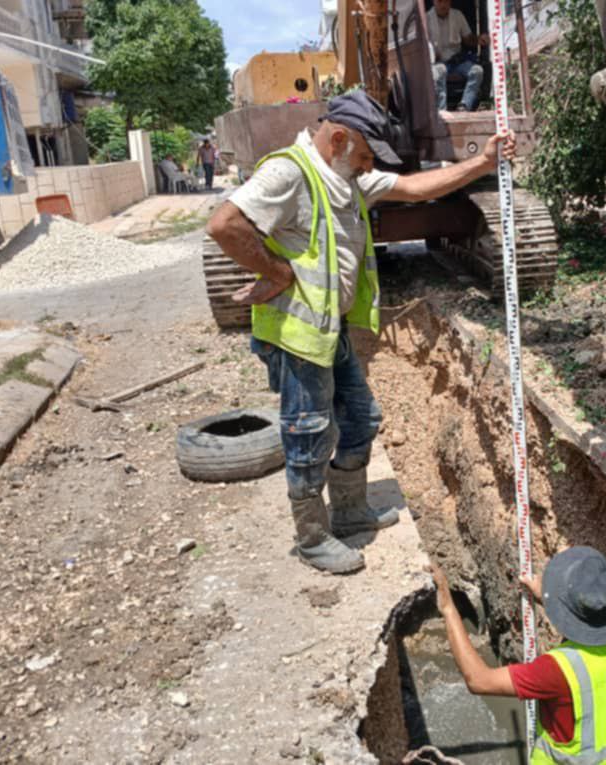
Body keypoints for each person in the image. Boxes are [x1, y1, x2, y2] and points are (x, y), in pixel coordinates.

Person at [205, 91, 516, 575]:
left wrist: (483, 163)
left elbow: (413, 188)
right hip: (297, 335)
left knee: (361, 418)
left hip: (331, 330)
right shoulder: (289, 172)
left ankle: (349, 512)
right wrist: (277, 272)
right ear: (338, 139)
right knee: (309, 433)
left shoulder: (346, 177)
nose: (371, 167)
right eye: (367, 156)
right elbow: (224, 225)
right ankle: (312, 538)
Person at [430, 547, 606, 764]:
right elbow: (591, 639)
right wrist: (552, 602)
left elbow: (479, 680)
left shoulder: (558, 670)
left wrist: (448, 608)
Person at [427, 0, 489, 111]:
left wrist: (479, 39)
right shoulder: (426, 19)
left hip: (456, 62)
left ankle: (464, 106)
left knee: (477, 71)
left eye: (445, 1)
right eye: (439, 1)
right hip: (437, 62)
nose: (443, 5)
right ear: (434, 2)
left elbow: (468, 39)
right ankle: (441, 111)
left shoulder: (457, 15)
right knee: (439, 71)